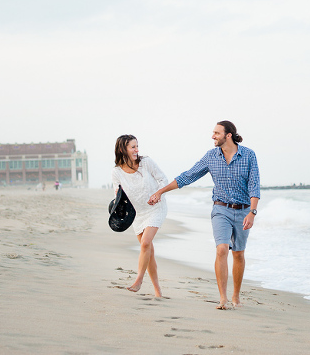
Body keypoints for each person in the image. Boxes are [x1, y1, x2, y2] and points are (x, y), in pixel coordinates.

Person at [149, 121, 260, 310]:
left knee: (239, 254)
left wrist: (252, 212)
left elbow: (254, 185)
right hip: (221, 209)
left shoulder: (248, 155)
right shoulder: (211, 156)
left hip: (243, 210)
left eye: (217, 133)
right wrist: (161, 191)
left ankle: (236, 295)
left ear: (228, 135)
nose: (213, 136)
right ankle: (223, 298)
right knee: (222, 249)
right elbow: (188, 176)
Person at [111, 134, 169, 297]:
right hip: (136, 213)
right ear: (122, 150)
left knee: (145, 244)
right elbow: (118, 195)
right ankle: (158, 291)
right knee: (148, 251)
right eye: (133, 147)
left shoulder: (146, 163)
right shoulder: (116, 172)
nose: (137, 150)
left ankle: (138, 280)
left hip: (155, 208)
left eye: (137, 146)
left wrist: (158, 194)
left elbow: (163, 180)